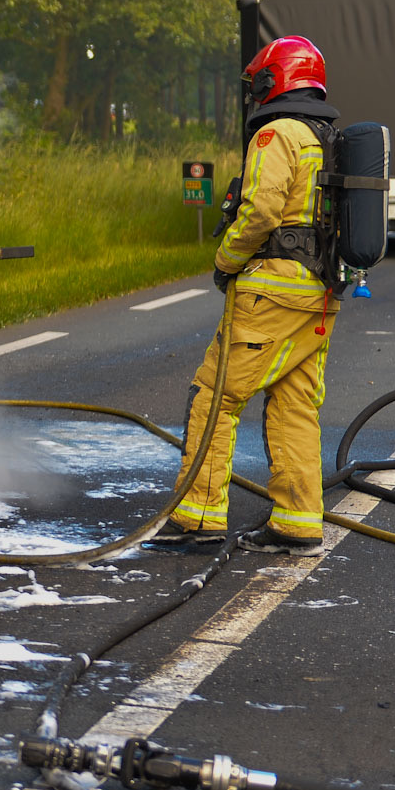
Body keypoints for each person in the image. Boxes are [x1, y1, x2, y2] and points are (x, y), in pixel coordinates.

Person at [154, 35, 342, 555]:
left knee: (215, 396)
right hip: (318, 296)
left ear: (272, 80)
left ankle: (197, 518)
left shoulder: (277, 134)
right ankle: (298, 521)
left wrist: (225, 261)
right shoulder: (327, 137)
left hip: (272, 293)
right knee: (294, 403)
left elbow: (259, 213)